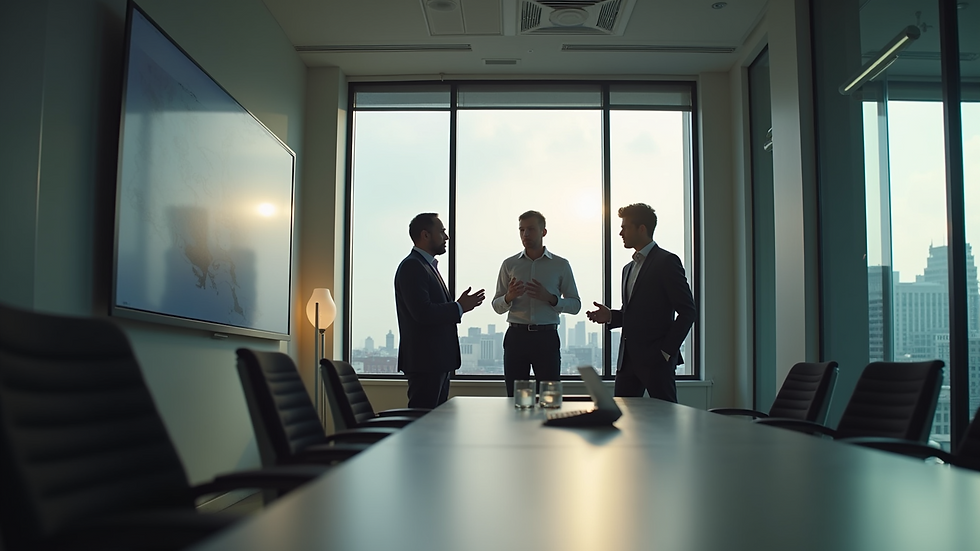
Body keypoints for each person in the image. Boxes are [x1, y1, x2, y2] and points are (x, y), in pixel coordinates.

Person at [586, 203, 696, 402]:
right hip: (627, 362)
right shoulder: (628, 268)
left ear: (642, 228)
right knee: (623, 422)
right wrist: (611, 316)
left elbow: (688, 312)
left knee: (666, 420)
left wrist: (665, 352)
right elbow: (637, 313)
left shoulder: (666, 261)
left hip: (657, 361)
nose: (620, 233)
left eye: (625, 227)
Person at [395, 213, 485, 408]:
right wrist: (459, 306)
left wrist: (459, 307)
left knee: (434, 423)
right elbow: (423, 313)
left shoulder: (426, 266)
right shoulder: (413, 266)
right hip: (426, 362)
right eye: (442, 231)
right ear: (425, 235)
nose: (447, 237)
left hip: (436, 362)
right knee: (423, 424)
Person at [492, 210, 581, 397]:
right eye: (521, 230)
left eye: (530, 229)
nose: (525, 234)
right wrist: (509, 296)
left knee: (549, 398)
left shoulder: (560, 265)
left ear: (544, 232)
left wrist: (551, 298)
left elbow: (575, 305)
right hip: (516, 337)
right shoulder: (509, 264)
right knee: (515, 398)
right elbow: (496, 305)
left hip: (546, 338)